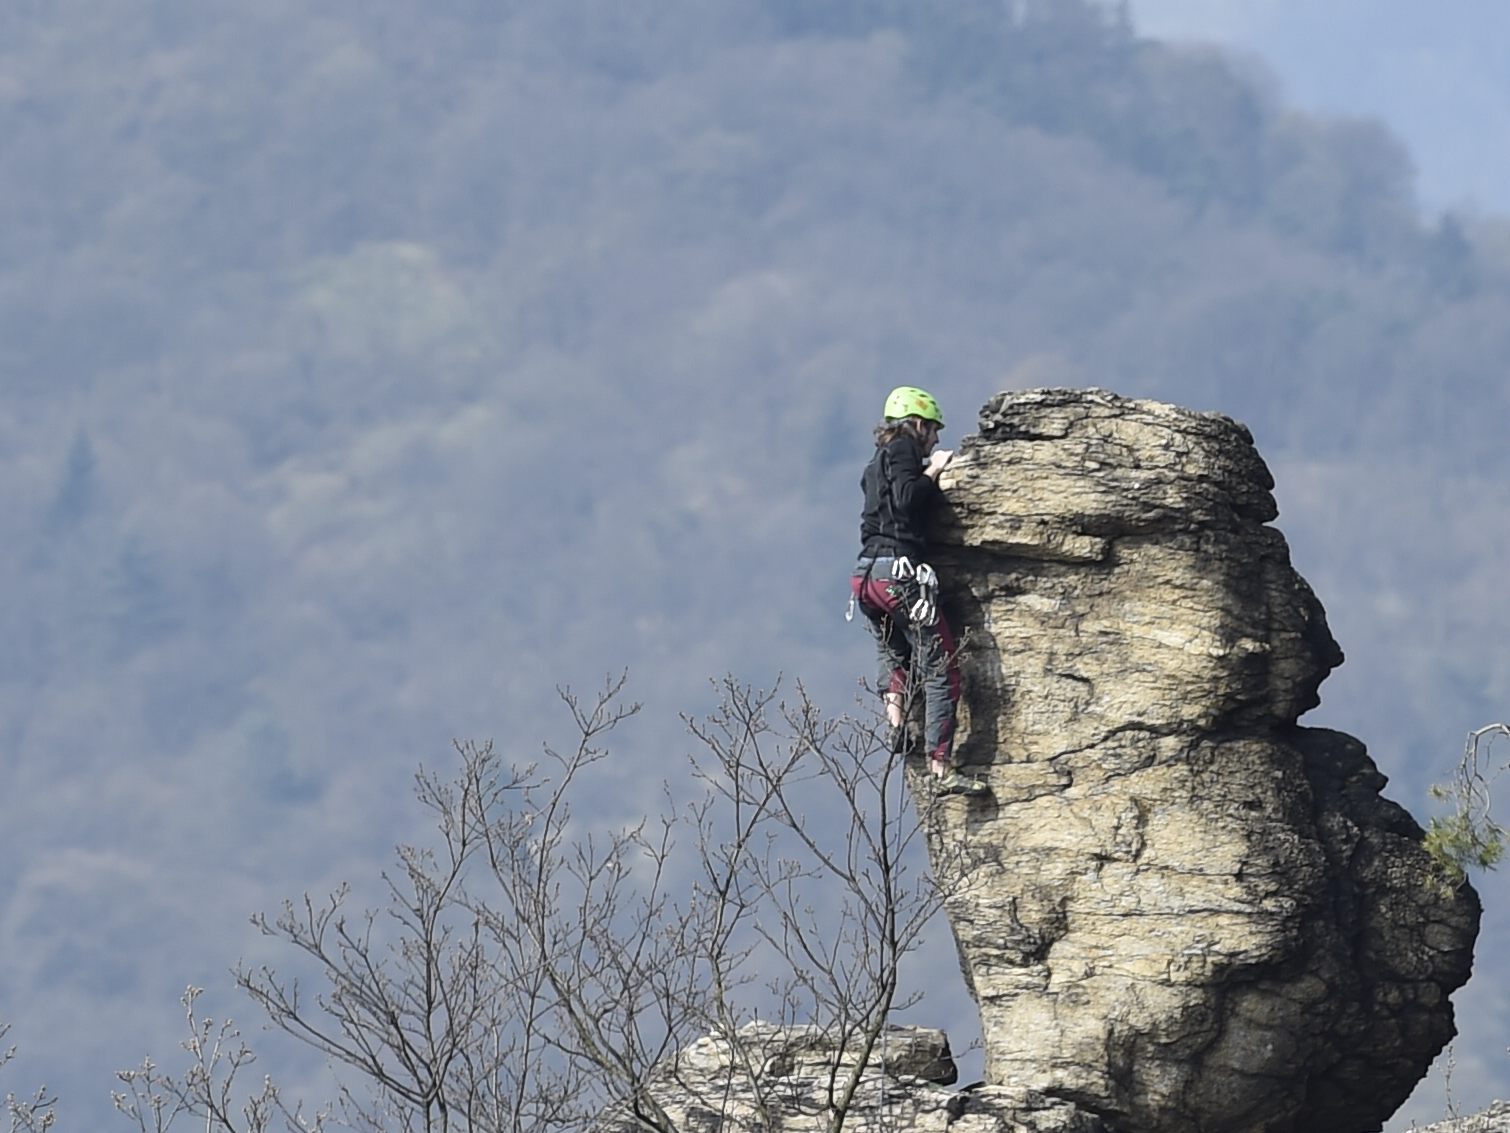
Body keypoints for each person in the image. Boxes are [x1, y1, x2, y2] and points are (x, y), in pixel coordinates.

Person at [850, 386, 988, 798]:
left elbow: (888, 503)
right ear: (917, 425)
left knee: (894, 654)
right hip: (900, 573)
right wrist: (936, 469)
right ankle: (941, 766)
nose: (936, 440)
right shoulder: (905, 449)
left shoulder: (875, 465)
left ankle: (895, 726)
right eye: (933, 430)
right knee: (942, 665)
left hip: (866, 577)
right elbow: (910, 500)